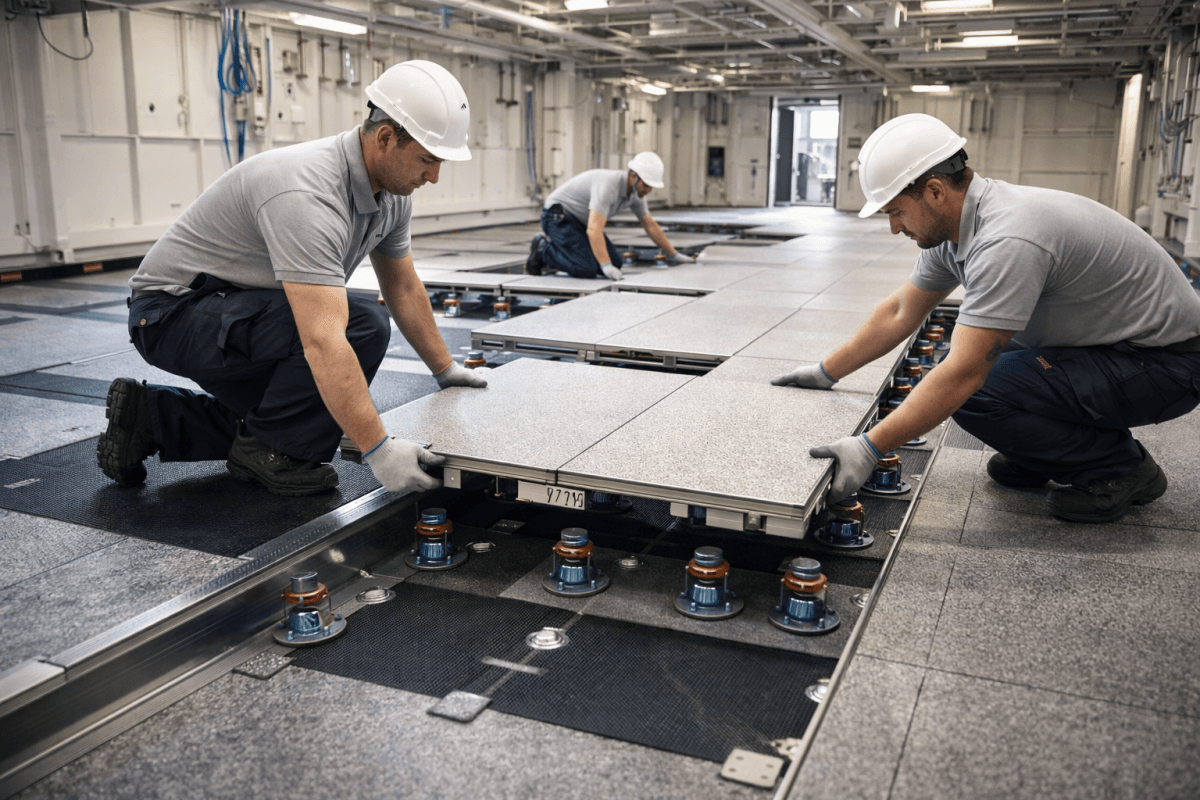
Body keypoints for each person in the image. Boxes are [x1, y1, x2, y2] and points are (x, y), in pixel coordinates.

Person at [774, 113, 1200, 524]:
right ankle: (1046, 453)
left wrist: (870, 447)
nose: (893, 227)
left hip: (1168, 365)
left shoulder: (1008, 238)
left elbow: (963, 375)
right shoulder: (960, 226)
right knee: (986, 359)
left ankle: (1121, 467)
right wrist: (826, 371)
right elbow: (902, 310)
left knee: (977, 387)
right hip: (1117, 348)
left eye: (896, 211)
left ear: (935, 191)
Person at [97, 60, 487, 497]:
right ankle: (268, 453)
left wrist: (445, 368)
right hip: (170, 315)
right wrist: (378, 450)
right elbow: (322, 339)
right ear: (384, 138)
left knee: (291, 415)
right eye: (427, 160)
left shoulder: (393, 196)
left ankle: (151, 416)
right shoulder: (308, 191)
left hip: (237, 308)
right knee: (356, 329)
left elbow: (403, 286)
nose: (433, 176)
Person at [524, 151, 695, 280]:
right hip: (556, 216)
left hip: (578, 222)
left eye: (652, 187)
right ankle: (543, 250)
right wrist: (605, 266)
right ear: (633, 177)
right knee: (587, 269)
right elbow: (594, 229)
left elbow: (650, 225)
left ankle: (566, 255)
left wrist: (673, 254)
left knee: (616, 263)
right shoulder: (608, 185)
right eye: (647, 185)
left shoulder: (636, 193)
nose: (649, 190)